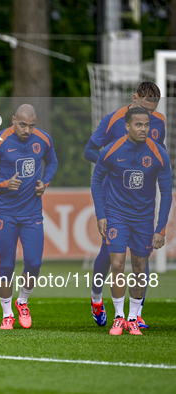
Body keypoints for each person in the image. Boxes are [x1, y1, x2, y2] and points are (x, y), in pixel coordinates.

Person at [84, 82, 165, 329]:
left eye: (151, 112)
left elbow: (153, 154)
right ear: (134, 98)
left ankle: (135, 314)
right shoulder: (113, 119)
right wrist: (117, 164)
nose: (147, 117)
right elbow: (89, 151)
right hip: (114, 196)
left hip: (141, 199)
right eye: (143, 109)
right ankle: (96, 298)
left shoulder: (159, 123)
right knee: (109, 254)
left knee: (142, 256)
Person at [0, 104, 58, 330]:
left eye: (31, 126)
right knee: (6, 265)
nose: (27, 130)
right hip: (6, 212)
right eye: (22, 125)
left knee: (34, 262)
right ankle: (7, 314)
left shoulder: (43, 139)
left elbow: (52, 162)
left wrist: (46, 181)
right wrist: (3, 183)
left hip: (32, 212)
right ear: (13, 119)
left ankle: (22, 301)